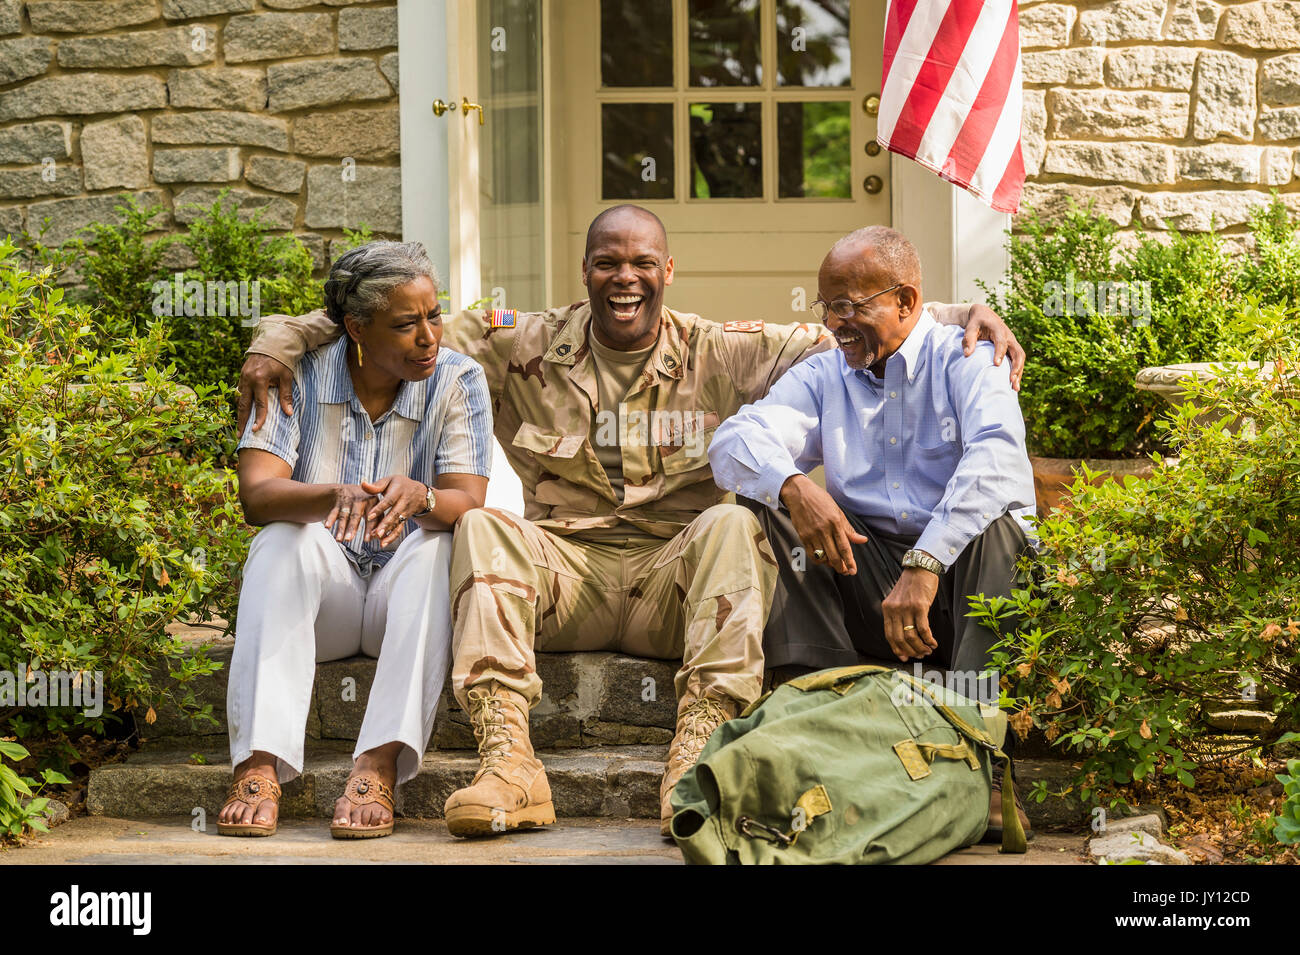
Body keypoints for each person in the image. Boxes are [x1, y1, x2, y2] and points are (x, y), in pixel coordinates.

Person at [235, 206, 1025, 838]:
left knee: (732, 523)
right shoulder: (520, 339)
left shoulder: (722, 349)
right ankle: (511, 762)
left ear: (668, 272)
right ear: (583, 272)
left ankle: (697, 750)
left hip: (671, 581)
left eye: (643, 262)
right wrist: (278, 338)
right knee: (478, 525)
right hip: (565, 573)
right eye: (608, 261)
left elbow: (860, 322)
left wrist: (966, 312)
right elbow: (389, 315)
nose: (625, 277)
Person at [708, 225, 1037, 841]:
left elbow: (997, 459)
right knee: (774, 504)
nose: (836, 322)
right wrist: (794, 484)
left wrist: (927, 561)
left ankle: (980, 761)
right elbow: (732, 442)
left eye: (852, 306)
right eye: (828, 306)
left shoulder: (967, 357)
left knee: (999, 528)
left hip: (967, 582)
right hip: (871, 584)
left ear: (907, 302)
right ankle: (817, 719)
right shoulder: (826, 374)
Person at [219, 241, 491, 839]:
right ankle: (259, 763)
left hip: (404, 594)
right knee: (279, 542)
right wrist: (330, 495)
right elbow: (257, 495)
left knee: (439, 545)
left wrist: (422, 497)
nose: (428, 336)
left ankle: (379, 761)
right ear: (357, 328)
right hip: (327, 604)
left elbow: (469, 502)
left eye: (434, 316)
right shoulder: (294, 373)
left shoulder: (459, 379)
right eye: (405, 324)